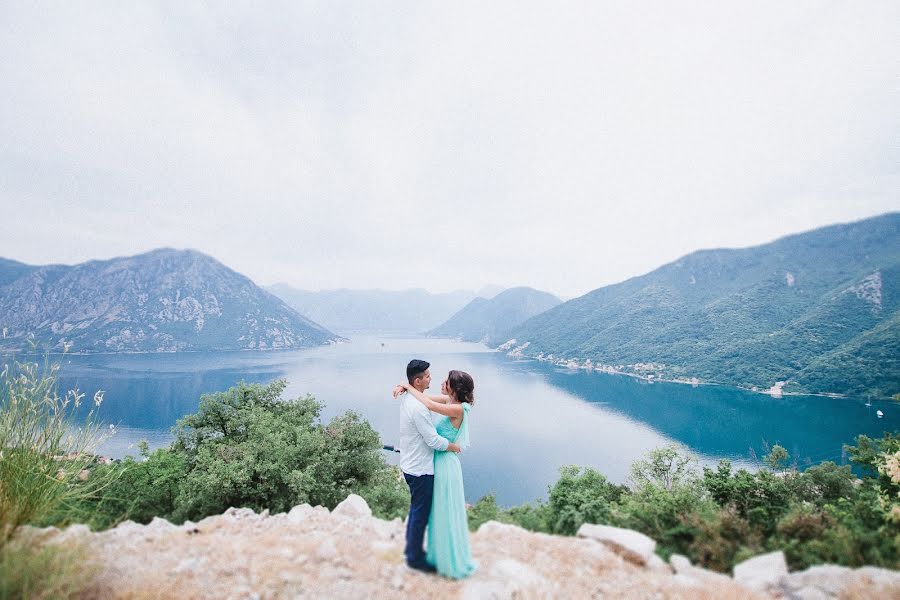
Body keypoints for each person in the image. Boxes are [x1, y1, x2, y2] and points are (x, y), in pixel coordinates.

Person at [394, 369, 478, 579]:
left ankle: (449, 560)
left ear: (454, 388)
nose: (441, 382)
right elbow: (424, 397)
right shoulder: (450, 400)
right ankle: (439, 555)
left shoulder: (457, 408)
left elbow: (429, 405)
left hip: (445, 463)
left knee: (445, 511)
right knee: (438, 512)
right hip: (437, 461)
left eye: (446, 382)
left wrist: (409, 385)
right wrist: (405, 386)